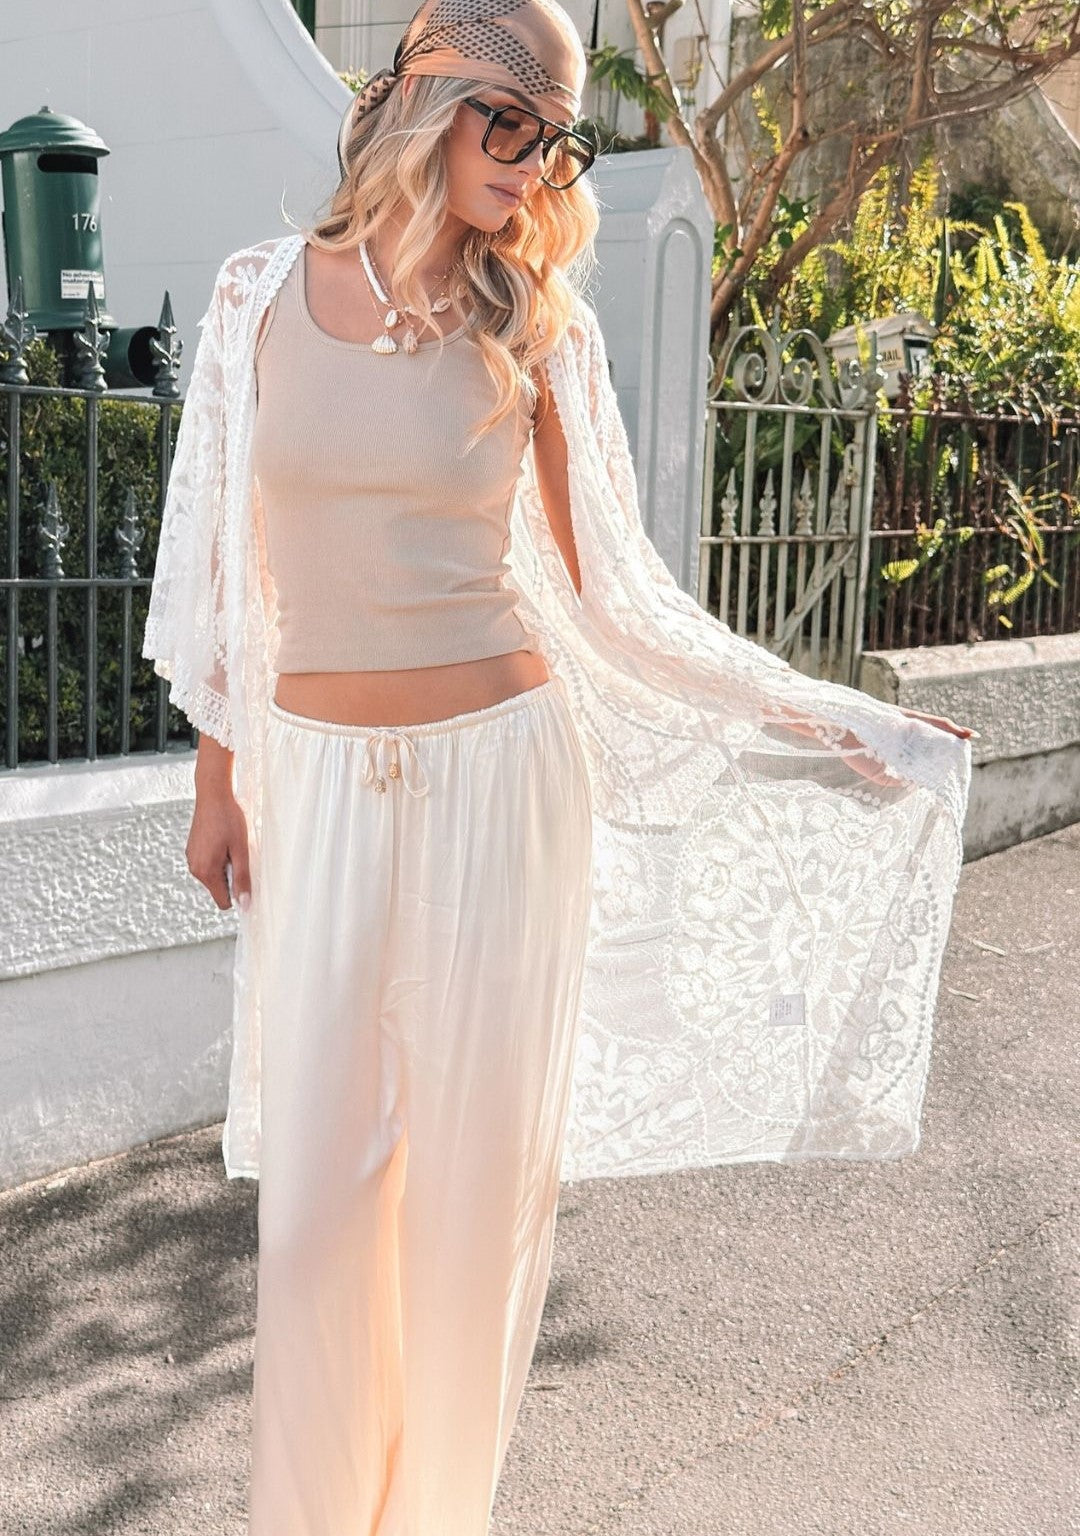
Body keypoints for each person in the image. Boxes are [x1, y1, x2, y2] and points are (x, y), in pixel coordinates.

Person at [142, 1, 976, 1530]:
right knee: (318, 1220)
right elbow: (219, 563)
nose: (534, 168)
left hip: (502, 789)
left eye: (558, 141)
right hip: (315, 790)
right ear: (427, 95)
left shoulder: (536, 323)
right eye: (511, 124)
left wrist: (835, 721)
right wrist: (218, 777)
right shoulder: (255, 295)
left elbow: (622, 603)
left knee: (469, 1213)